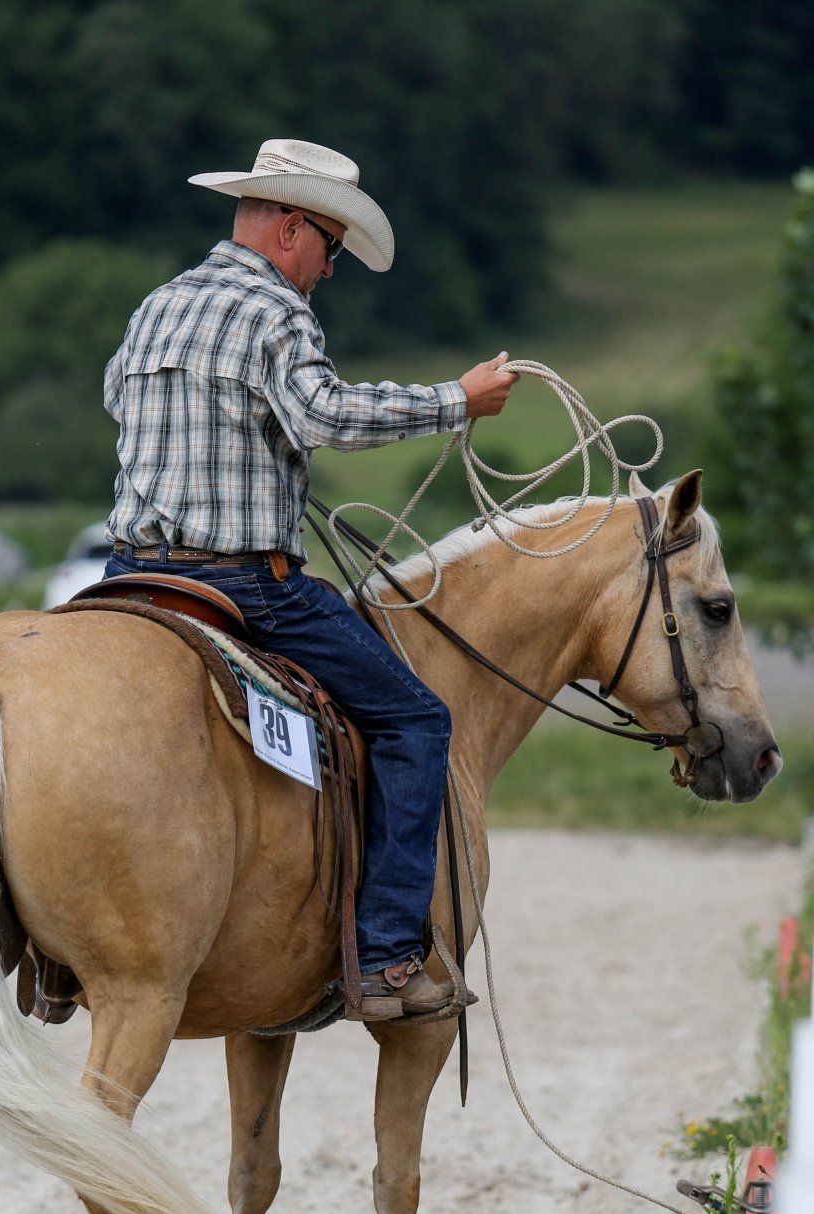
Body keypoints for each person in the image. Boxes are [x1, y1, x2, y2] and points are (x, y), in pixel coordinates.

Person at [103, 138, 517, 1022]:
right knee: (416, 719)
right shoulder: (277, 313)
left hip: (127, 577)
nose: (329, 271)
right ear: (292, 228)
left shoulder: (157, 305)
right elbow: (324, 413)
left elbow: (120, 404)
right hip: (246, 586)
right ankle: (388, 955)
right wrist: (457, 399)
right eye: (329, 250)